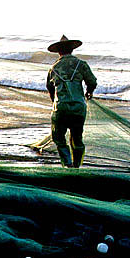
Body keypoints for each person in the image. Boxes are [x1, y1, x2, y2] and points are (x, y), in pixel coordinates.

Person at [46, 35, 96, 168]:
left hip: (60, 108)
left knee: (59, 139)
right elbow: (92, 82)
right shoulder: (81, 64)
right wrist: (89, 92)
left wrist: (55, 103)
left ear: (58, 51)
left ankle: (67, 165)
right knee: (77, 139)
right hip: (79, 107)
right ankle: (77, 166)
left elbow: (50, 89)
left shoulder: (53, 69)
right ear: (72, 50)